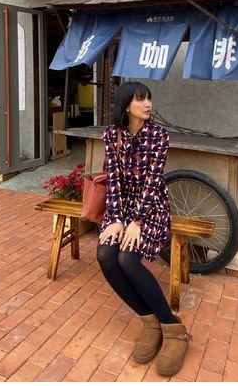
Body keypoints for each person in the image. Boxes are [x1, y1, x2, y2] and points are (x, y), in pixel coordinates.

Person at [96, 81, 189, 376]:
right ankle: (150, 321)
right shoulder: (112, 136)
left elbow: (152, 184)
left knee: (127, 258)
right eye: (140, 100)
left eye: (148, 98)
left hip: (152, 210)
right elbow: (113, 182)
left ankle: (173, 329)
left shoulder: (159, 136)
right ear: (126, 106)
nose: (147, 104)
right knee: (105, 255)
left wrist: (136, 222)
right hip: (121, 212)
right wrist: (116, 220)